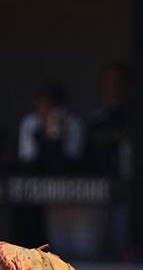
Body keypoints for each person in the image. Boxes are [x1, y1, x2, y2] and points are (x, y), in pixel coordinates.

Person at [17, 83, 99, 259]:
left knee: (84, 253)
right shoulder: (31, 123)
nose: (47, 109)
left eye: (52, 104)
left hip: (78, 200)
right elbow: (29, 165)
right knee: (58, 253)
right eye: (42, 104)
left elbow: (68, 164)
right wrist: (44, 135)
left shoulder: (73, 124)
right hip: (50, 201)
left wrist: (55, 134)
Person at [84, 62, 132, 259]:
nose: (114, 88)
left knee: (123, 247)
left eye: (120, 83)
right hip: (97, 195)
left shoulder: (137, 119)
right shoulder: (95, 121)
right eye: (110, 83)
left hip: (128, 194)